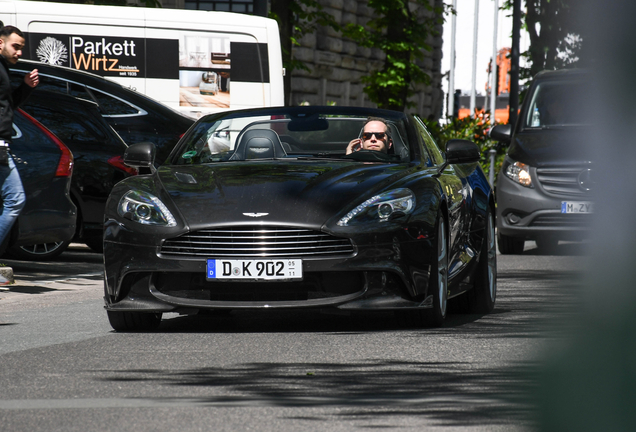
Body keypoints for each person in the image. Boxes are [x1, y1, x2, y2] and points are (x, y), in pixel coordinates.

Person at [0, 23, 39, 287]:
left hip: (3, 143)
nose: (19, 52)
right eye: (15, 46)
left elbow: (7, 105)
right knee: (15, 200)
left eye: (21, 48)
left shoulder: (4, 69)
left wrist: (24, 87)